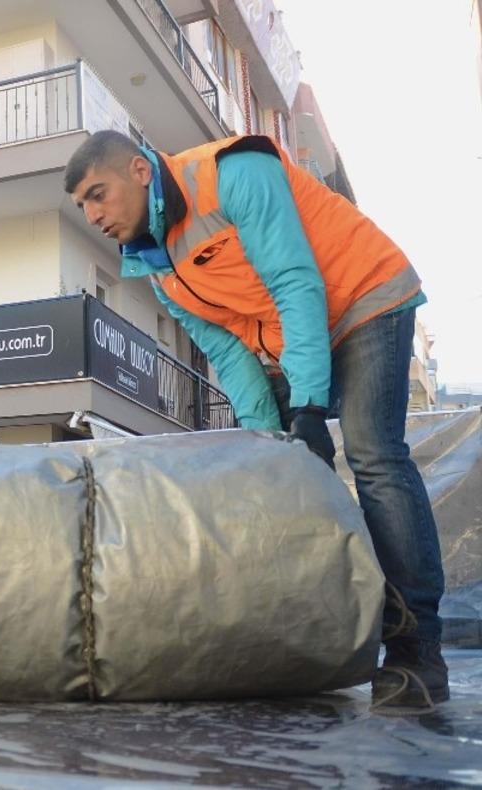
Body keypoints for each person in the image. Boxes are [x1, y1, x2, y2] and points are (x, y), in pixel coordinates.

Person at [64, 130, 447, 712]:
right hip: (292, 336)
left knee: (372, 454)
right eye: (82, 207)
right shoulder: (153, 260)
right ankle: (320, 633)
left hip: (363, 297)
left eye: (98, 193)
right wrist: (270, 437)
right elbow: (227, 352)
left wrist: (311, 405)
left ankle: (417, 651)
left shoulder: (232, 174)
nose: (93, 215)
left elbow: (295, 280)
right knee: (286, 477)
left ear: (140, 171)